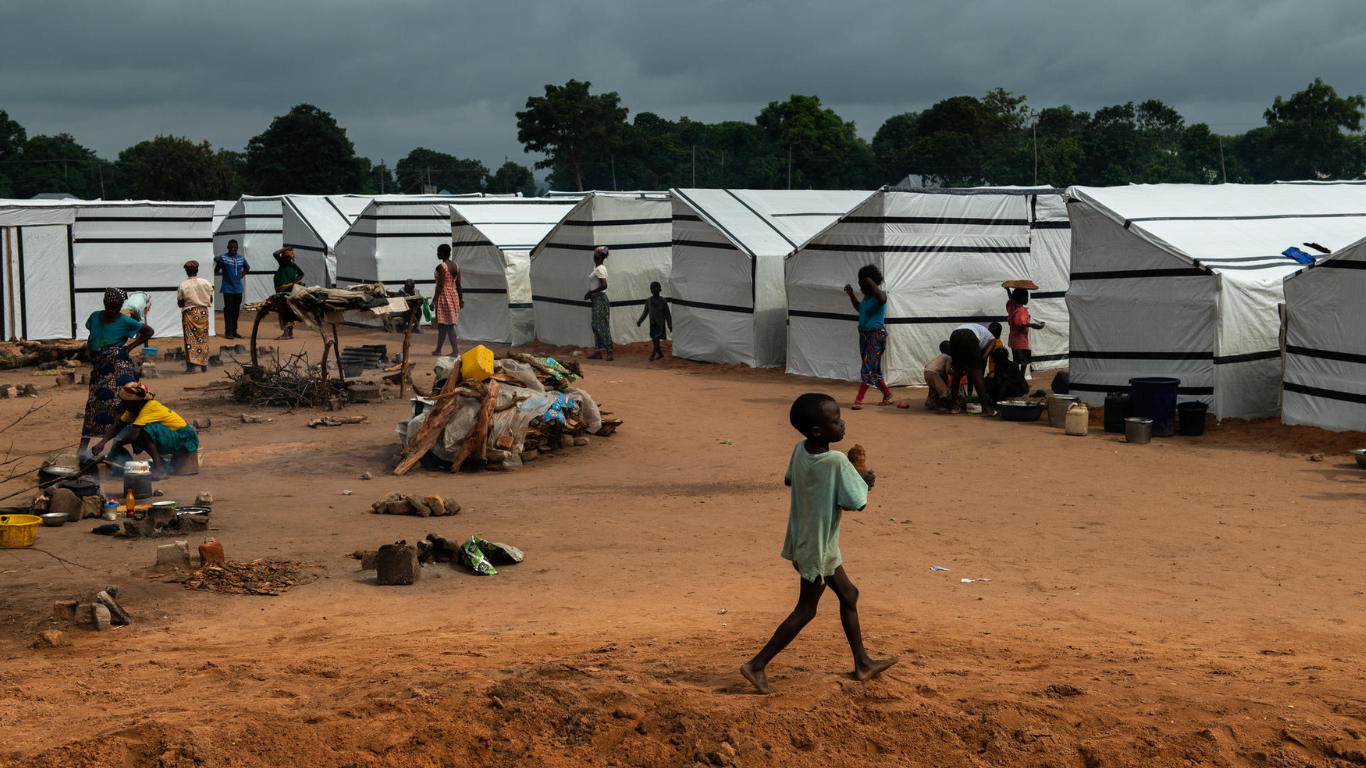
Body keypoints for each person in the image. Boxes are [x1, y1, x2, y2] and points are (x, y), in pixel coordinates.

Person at [740, 393, 896, 695]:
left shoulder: (801, 448)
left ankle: (863, 663)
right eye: (836, 420)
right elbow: (856, 504)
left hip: (807, 538)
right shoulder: (836, 461)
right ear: (818, 431)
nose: (842, 423)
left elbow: (791, 480)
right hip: (819, 546)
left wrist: (845, 476)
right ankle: (756, 664)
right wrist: (861, 478)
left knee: (849, 595)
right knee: (806, 610)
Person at [79, 288, 153, 457]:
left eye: (116, 307)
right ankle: (82, 449)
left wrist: (129, 348)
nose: (112, 310)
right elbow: (91, 335)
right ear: (104, 303)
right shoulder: (95, 317)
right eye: (109, 306)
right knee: (94, 406)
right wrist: (88, 350)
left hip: (118, 368)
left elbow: (149, 331)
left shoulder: (125, 321)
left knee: (119, 406)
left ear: (121, 305)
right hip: (99, 369)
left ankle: (115, 449)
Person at [90, 383, 199, 481]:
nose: (124, 406)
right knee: (136, 430)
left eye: (125, 403)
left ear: (136, 402)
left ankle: (160, 469)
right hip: (174, 436)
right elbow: (119, 425)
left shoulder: (149, 407)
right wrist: (102, 443)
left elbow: (133, 436)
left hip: (186, 438)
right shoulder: (135, 409)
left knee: (143, 430)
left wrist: (118, 444)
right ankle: (162, 463)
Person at [843, 265, 892, 409]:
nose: (860, 289)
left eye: (862, 285)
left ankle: (859, 400)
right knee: (873, 367)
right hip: (864, 337)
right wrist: (851, 295)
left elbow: (883, 300)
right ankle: (887, 394)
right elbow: (860, 309)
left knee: (867, 366)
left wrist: (871, 282)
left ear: (869, 283)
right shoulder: (866, 298)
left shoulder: (880, 295)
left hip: (875, 336)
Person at [947, 321, 1003, 417]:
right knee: (977, 374)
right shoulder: (993, 340)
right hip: (969, 335)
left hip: (955, 334)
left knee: (957, 373)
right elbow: (984, 357)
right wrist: (980, 376)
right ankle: (986, 409)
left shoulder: (983, 333)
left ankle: (953, 407)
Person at [176, 261, 213, 373]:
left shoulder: (183, 285)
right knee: (203, 338)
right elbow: (210, 300)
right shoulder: (206, 283)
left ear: (186, 271)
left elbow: (181, 303)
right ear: (197, 270)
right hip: (202, 313)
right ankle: (203, 364)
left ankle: (191, 366)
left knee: (190, 339)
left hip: (190, 313)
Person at [432, 244, 464, 356]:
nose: (437, 254)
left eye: (438, 252)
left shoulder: (441, 267)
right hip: (453, 295)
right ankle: (438, 349)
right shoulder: (456, 266)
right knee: (443, 324)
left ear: (443, 253)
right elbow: (459, 285)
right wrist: (461, 299)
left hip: (444, 296)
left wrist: (434, 300)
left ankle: (455, 351)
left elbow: (440, 285)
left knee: (448, 325)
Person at [214, 239, 250, 339]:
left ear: (237, 248)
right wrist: (217, 262)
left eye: (235, 247)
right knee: (228, 311)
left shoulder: (241, 258)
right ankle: (228, 332)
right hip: (227, 289)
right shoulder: (223, 258)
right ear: (228, 247)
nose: (233, 249)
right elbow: (216, 270)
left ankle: (234, 331)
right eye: (231, 247)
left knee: (236, 311)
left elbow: (247, 267)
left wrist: (241, 275)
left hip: (238, 289)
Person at [1005, 287, 1045, 373]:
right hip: (1020, 341)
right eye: (1025, 297)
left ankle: (1016, 377)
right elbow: (1019, 323)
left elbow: (1011, 299)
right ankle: (1021, 378)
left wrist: (1007, 290)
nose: (1027, 299)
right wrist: (1034, 325)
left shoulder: (1012, 307)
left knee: (1016, 360)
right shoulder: (1021, 310)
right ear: (1020, 298)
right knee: (1023, 362)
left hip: (1013, 340)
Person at [584, 246, 613, 361]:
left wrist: (591, 292)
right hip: (597, 300)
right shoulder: (598, 268)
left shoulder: (600, 269)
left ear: (596, 257)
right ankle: (598, 351)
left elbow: (604, 285)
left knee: (601, 325)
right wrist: (591, 294)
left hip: (600, 299)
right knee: (595, 325)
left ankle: (609, 350)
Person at [271, 247, 304, 341]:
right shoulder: (294, 265)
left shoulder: (284, 263)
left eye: (283, 253)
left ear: (284, 256)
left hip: (283, 290)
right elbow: (301, 274)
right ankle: (290, 333)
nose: (281, 255)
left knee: (284, 310)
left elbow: (275, 254)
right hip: (290, 289)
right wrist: (293, 283)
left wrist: (285, 248)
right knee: (290, 310)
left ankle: (285, 333)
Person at [635, 281, 672, 361]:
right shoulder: (648, 301)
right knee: (654, 340)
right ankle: (660, 354)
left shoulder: (663, 301)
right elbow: (645, 312)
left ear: (660, 289)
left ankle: (652, 355)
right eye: (652, 288)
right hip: (652, 324)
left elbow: (667, 314)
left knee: (656, 339)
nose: (654, 289)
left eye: (656, 287)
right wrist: (640, 321)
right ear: (650, 290)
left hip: (660, 324)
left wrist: (670, 326)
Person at [922, 340, 954, 412]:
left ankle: (934, 404)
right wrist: (954, 373)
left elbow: (926, 365)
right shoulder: (948, 358)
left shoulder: (939, 356)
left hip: (926, 372)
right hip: (933, 373)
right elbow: (948, 370)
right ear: (948, 350)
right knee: (944, 390)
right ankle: (938, 407)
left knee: (936, 391)